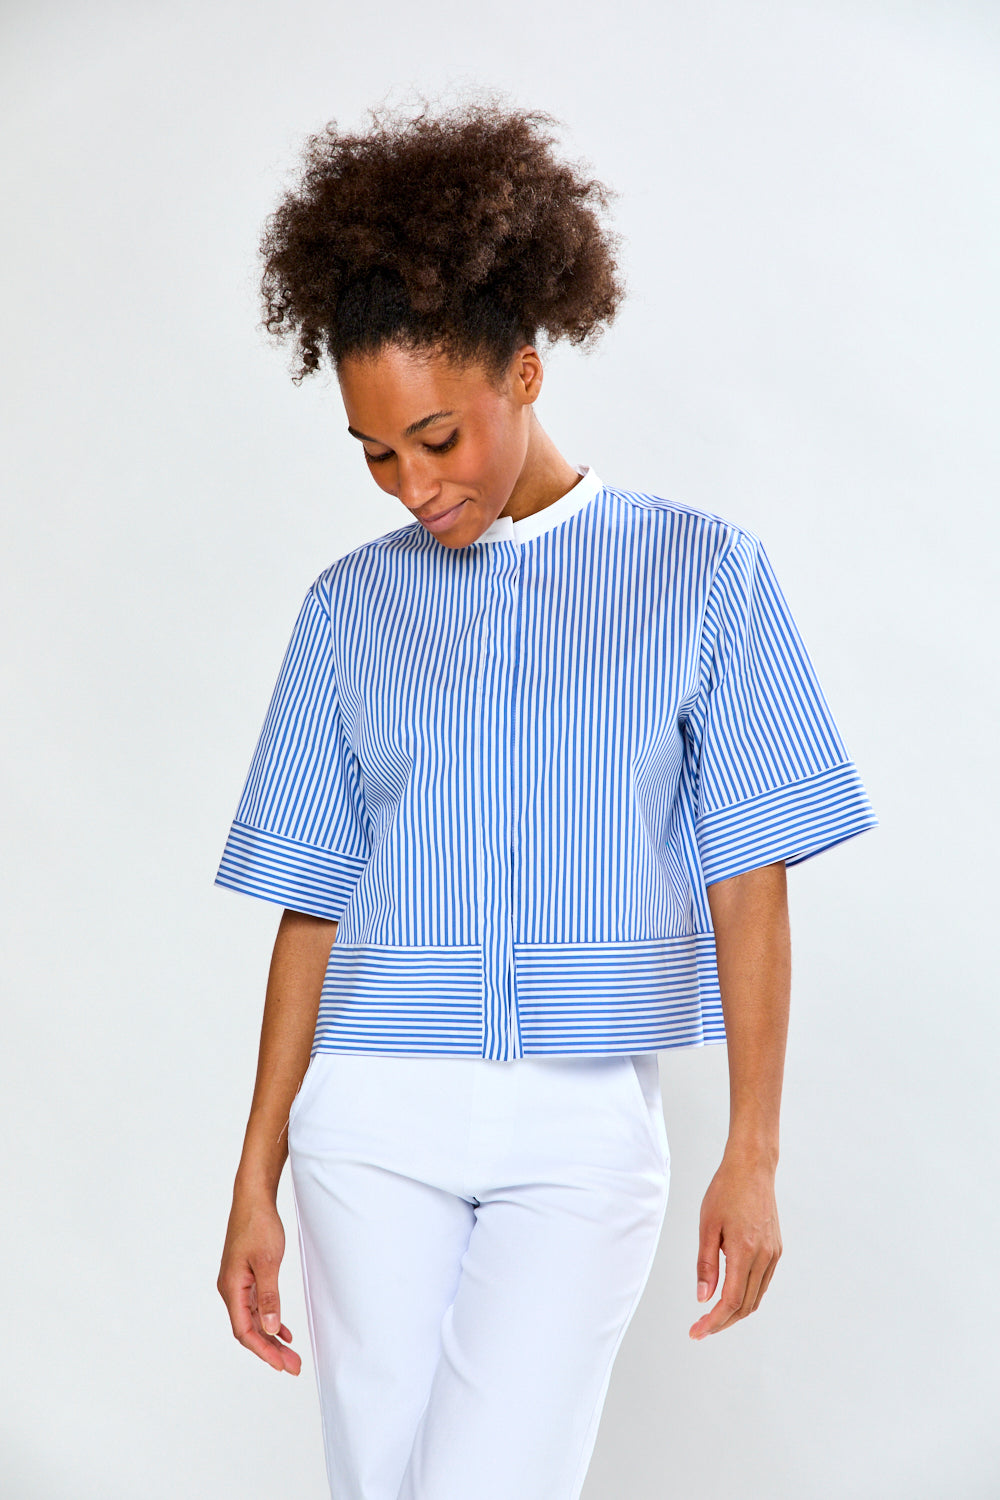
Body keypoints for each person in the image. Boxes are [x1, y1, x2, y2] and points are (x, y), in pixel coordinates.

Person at [214, 96, 878, 1500]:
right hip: (367, 1124)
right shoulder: (348, 611)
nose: (412, 486)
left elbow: (749, 880)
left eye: (439, 437)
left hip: (581, 1128)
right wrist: (253, 1178)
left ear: (525, 370)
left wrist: (753, 1153)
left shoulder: (704, 577)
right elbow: (311, 913)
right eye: (377, 454)